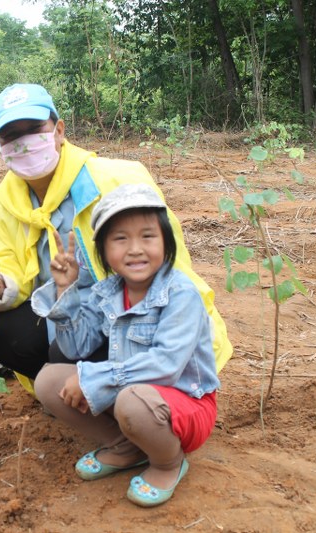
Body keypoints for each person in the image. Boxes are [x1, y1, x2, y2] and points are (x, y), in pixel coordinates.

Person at [0, 83, 231, 394]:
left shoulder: (118, 178)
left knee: (68, 354)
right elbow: (2, 258)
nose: (24, 143)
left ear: (59, 130)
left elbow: (170, 265)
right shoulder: (6, 198)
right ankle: (72, 394)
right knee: (3, 333)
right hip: (70, 314)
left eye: (35, 129)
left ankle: (119, 395)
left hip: (135, 314)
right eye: (12, 136)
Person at [31, 183, 220, 507]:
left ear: (166, 242)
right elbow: (76, 348)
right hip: (132, 395)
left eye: (147, 236)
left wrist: (93, 379)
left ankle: (168, 463)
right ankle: (126, 446)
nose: (135, 249)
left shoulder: (180, 294)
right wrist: (66, 291)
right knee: (49, 381)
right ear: (103, 251)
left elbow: (166, 365)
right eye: (120, 239)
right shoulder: (108, 291)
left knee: (130, 400)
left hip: (185, 407)